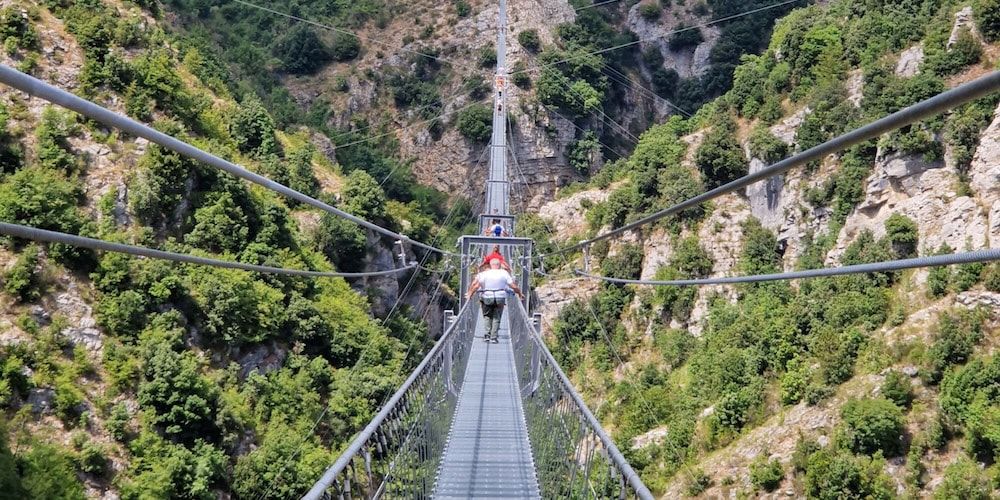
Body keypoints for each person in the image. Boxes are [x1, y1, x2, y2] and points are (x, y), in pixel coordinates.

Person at [466, 258, 524, 343]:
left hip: (487, 297)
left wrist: (469, 294)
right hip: (500, 297)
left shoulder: (484, 274)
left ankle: (487, 335)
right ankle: (494, 337)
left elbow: (476, 286)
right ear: (499, 265)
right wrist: (519, 293)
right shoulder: (504, 273)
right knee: (497, 317)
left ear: (490, 265)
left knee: (487, 316)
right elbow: (513, 286)